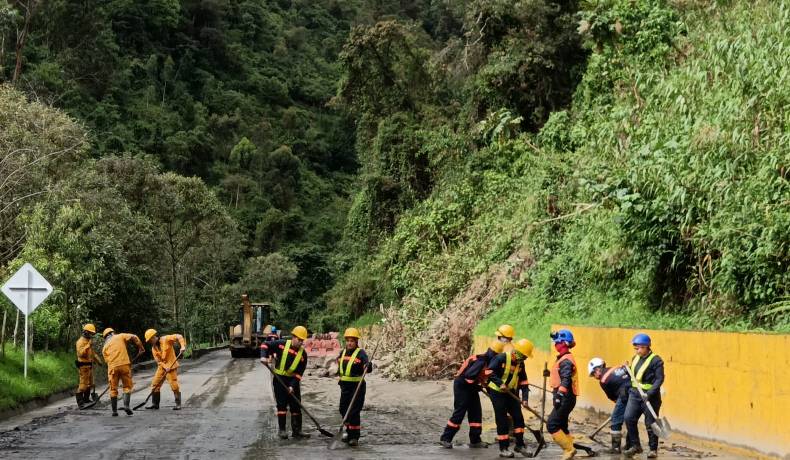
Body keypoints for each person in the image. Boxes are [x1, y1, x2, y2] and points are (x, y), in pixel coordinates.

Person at [439, 340, 504, 449]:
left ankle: (475, 441)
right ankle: (445, 439)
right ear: (495, 355)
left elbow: (483, 379)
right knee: (460, 411)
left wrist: (487, 389)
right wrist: (478, 387)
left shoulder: (487, 362)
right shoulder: (481, 360)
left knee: (476, 412)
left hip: (471, 387)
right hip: (462, 385)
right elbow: (469, 377)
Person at [485, 338, 534, 458]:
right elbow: (489, 372)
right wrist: (499, 383)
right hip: (496, 392)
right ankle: (504, 448)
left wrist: (525, 399)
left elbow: (524, 382)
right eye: (524, 356)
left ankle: (520, 445)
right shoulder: (501, 358)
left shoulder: (520, 363)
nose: (525, 358)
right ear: (517, 353)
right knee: (502, 419)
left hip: (511, 392)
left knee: (518, 417)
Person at [261, 325, 309, 439]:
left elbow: (299, 374)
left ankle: (297, 431)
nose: (300, 342)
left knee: (296, 406)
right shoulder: (281, 344)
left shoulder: (303, 355)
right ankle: (282, 430)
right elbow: (265, 345)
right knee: (281, 406)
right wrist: (264, 357)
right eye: (299, 339)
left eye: (302, 340)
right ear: (293, 337)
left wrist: (292, 386)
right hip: (279, 380)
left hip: (293, 382)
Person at [623, 333, 665, 458]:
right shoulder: (635, 358)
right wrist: (627, 368)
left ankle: (653, 449)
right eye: (635, 348)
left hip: (650, 397)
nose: (637, 351)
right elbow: (635, 375)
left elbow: (659, 379)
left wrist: (650, 393)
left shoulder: (656, 361)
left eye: (639, 348)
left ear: (647, 347)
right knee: (629, 418)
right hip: (635, 394)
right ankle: (636, 446)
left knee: (651, 423)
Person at [336, 327, 372, 446]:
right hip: (345, 387)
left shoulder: (361, 353)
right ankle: (349, 431)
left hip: (357, 387)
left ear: (356, 342)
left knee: (354, 411)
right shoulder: (343, 352)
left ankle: (354, 437)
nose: (350, 343)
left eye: (352, 341)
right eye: (348, 340)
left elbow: (367, 367)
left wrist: (368, 365)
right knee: (343, 409)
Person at [588, 357, 631, 453]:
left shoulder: (603, 381)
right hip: (635, 392)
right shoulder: (617, 367)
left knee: (616, 420)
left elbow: (611, 397)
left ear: (598, 368)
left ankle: (615, 448)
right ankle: (630, 445)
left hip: (623, 396)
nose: (594, 376)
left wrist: (619, 407)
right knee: (631, 420)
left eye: (593, 373)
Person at [548, 329, 579, 460]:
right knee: (562, 425)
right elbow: (560, 375)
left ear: (564, 343)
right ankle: (570, 447)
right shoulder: (562, 358)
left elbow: (566, 379)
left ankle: (569, 449)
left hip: (565, 397)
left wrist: (559, 395)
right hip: (566, 396)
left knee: (552, 424)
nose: (556, 344)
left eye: (558, 342)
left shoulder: (566, 360)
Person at [101, 328, 144, 416]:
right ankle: (126, 406)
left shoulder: (104, 348)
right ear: (112, 333)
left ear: (105, 337)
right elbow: (134, 337)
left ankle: (114, 411)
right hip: (124, 365)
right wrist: (141, 348)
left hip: (112, 367)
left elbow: (107, 361)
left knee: (113, 389)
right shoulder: (120, 336)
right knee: (127, 386)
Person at [143, 328, 187, 410]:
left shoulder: (166, 339)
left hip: (171, 366)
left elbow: (179, 336)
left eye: (149, 340)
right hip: (162, 367)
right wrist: (165, 366)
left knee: (174, 385)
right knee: (155, 384)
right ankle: (155, 404)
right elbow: (159, 361)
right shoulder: (154, 348)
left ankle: (178, 404)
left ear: (153, 337)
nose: (149, 342)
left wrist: (183, 346)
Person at [74, 323, 103, 408]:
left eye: (92, 333)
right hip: (83, 367)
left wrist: (98, 361)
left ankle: (86, 399)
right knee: (83, 385)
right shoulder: (80, 342)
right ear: (86, 332)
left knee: (90, 384)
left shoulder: (87, 341)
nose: (92, 335)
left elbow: (92, 353)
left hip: (89, 366)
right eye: (91, 333)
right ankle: (80, 403)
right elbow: (81, 354)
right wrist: (88, 345)